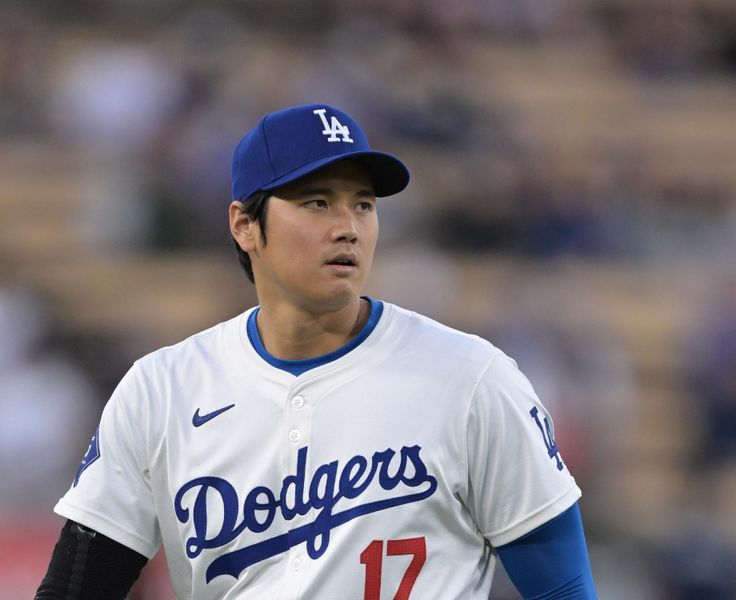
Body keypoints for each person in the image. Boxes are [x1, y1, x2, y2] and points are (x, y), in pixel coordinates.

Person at [35, 104, 597, 599]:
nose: (348, 228)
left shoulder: (473, 379)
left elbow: (564, 588)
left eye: (364, 204)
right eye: (317, 202)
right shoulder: (162, 389)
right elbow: (76, 587)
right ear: (244, 225)